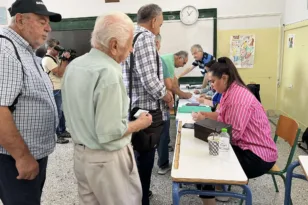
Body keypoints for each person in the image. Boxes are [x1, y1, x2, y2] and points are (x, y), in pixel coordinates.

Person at [62, 12, 152, 205]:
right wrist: (139, 123)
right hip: (106, 160)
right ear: (113, 45)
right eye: (129, 43)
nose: (131, 49)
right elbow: (110, 133)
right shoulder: (109, 74)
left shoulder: (74, 66)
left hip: (81, 155)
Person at [192, 57, 278, 205]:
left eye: (213, 81)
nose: (211, 86)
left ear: (224, 78)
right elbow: (222, 117)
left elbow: (232, 135)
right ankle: (219, 188)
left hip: (257, 155)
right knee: (208, 152)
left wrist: (205, 125)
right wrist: (205, 116)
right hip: (246, 147)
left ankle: (216, 190)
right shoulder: (230, 91)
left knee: (205, 165)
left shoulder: (237, 97)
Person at [0, 0, 61, 204]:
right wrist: (22, 157)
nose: (48, 28)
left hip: (28, 155)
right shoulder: (5, 50)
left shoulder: (24, 50)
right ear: (20, 20)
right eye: (42, 21)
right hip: (13, 160)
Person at [122, 4, 174, 205]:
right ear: (153, 21)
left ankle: (138, 193)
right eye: (160, 24)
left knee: (137, 155)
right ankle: (141, 198)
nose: (159, 28)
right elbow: (149, 79)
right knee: (144, 158)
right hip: (146, 110)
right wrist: (166, 95)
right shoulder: (144, 38)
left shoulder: (130, 36)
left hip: (134, 106)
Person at [42, 38, 71, 144]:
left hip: (61, 87)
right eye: (55, 48)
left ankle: (62, 130)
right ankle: (56, 135)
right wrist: (64, 60)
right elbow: (60, 73)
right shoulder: (47, 59)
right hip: (54, 89)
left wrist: (65, 60)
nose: (58, 51)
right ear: (49, 48)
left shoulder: (55, 58)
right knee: (57, 113)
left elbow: (64, 69)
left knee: (62, 111)